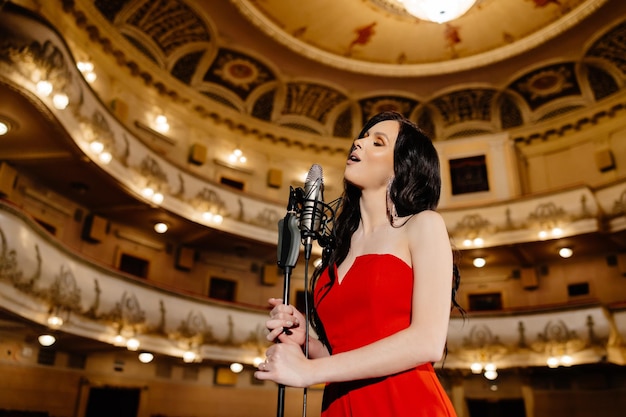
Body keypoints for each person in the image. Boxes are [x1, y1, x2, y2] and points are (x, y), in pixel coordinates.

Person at [255, 111, 462, 416]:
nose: (359, 142)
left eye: (377, 142)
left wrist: (310, 372)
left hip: (404, 402)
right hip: (340, 404)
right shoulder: (339, 250)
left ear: (401, 168)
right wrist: (307, 342)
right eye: (363, 136)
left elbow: (427, 342)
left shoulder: (423, 225)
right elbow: (346, 351)